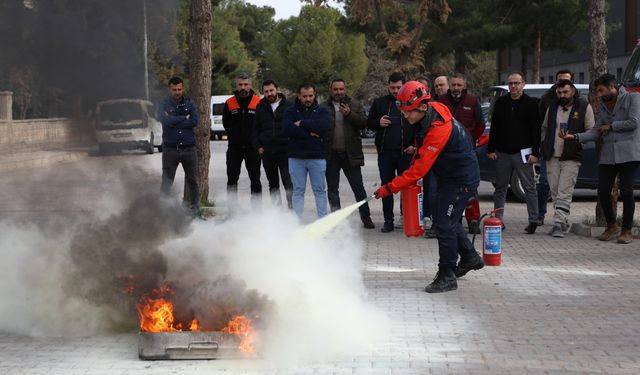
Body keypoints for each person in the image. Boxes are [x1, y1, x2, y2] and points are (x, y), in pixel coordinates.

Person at [373, 81, 484, 293]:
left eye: (408, 112)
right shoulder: (430, 113)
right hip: (449, 177)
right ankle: (470, 257)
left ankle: (447, 274)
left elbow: (419, 171)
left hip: (461, 180)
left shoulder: (438, 129)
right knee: (448, 220)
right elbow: (422, 154)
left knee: (444, 224)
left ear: (423, 106)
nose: (406, 117)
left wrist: (390, 187)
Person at [560, 73, 640, 244]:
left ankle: (626, 231)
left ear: (612, 87)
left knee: (627, 192)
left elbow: (634, 122)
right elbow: (596, 131)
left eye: (602, 90)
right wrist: (575, 137)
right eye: (598, 91)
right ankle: (612, 225)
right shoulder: (603, 105)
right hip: (608, 155)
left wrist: (611, 126)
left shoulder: (633, 98)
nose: (599, 94)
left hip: (629, 153)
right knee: (603, 191)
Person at [487, 72, 541, 234]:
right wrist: (491, 149)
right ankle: (498, 219)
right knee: (500, 188)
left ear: (523, 84)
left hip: (523, 153)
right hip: (502, 153)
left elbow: (536, 131)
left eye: (516, 83)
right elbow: (494, 127)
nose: (513, 86)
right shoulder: (501, 103)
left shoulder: (531, 104)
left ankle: (533, 220)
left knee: (529, 187)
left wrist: (535, 153)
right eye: (510, 83)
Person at [540, 79, 594, 237]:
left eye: (565, 92)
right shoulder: (553, 106)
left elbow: (591, 131)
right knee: (555, 191)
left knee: (564, 191)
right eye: (559, 92)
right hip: (552, 155)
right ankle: (562, 222)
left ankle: (558, 223)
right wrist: (544, 144)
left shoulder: (584, 107)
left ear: (573, 91)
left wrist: (576, 138)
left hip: (571, 155)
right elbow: (544, 128)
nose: (562, 95)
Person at [321, 79, 375, 229]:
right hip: (331, 155)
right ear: (330, 90)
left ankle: (366, 217)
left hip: (350, 154)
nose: (338, 92)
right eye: (335, 89)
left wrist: (349, 114)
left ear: (345, 89)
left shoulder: (355, 104)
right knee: (332, 189)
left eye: (341, 89)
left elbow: (364, 123)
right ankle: (336, 219)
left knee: (358, 188)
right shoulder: (323, 107)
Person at [367, 72, 416, 232]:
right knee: (386, 187)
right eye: (392, 87)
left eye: (399, 87)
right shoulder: (379, 103)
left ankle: (406, 218)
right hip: (385, 153)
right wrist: (378, 122)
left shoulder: (410, 103)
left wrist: (414, 145)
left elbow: (419, 126)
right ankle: (388, 220)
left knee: (406, 186)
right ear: (388, 86)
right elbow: (369, 123)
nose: (395, 90)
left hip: (405, 153)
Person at [437, 73, 485, 234]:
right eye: (453, 85)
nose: (456, 88)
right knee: (449, 187)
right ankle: (455, 218)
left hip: (467, 153)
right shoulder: (441, 102)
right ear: (449, 85)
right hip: (447, 154)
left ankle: (473, 219)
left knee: (471, 188)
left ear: (464, 86)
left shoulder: (472, 101)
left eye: (459, 85)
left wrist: (470, 140)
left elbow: (480, 124)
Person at [283, 83, 330, 220]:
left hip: (317, 157)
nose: (308, 99)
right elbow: (288, 129)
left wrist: (302, 123)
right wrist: (311, 132)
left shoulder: (322, 111)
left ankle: (322, 221)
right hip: (296, 158)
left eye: (310, 96)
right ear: (299, 95)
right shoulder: (290, 111)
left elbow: (323, 127)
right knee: (297, 191)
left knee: (320, 191)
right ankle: (296, 222)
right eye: (305, 96)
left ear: (314, 95)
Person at [536, 69, 574, 226]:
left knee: (563, 188)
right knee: (546, 183)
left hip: (570, 151)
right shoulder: (547, 100)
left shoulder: (579, 101)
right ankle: (541, 214)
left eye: (566, 80)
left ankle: (560, 219)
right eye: (560, 80)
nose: (563, 84)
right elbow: (541, 125)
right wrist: (543, 144)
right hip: (550, 150)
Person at [158, 76, 200, 217]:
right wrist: (183, 117)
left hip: (189, 149)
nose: (177, 92)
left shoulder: (190, 103)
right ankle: (163, 212)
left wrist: (173, 120)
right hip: (170, 150)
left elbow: (194, 121)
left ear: (183, 88)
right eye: (174, 89)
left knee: (193, 181)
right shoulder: (163, 104)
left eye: (179, 89)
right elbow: (164, 120)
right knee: (167, 182)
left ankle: (195, 211)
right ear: (170, 89)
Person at [223, 72, 262, 205]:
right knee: (232, 181)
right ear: (236, 85)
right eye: (240, 85)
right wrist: (234, 136)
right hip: (234, 149)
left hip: (253, 149)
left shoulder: (258, 102)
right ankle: (232, 210)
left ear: (250, 85)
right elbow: (226, 124)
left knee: (255, 180)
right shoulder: (229, 103)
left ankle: (257, 211)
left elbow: (262, 124)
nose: (243, 87)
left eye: (246, 84)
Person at [252, 79, 293, 208]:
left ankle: (293, 212)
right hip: (268, 153)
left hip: (285, 152)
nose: (269, 94)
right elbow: (255, 130)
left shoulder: (289, 106)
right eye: (266, 92)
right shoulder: (260, 107)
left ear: (277, 89)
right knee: (273, 185)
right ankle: (278, 214)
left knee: (289, 183)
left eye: (271, 90)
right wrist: (258, 147)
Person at [416, 75, 438, 238]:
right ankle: (428, 218)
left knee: (434, 189)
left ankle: (437, 223)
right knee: (428, 189)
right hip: (423, 156)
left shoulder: (434, 111)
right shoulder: (414, 111)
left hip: (436, 157)